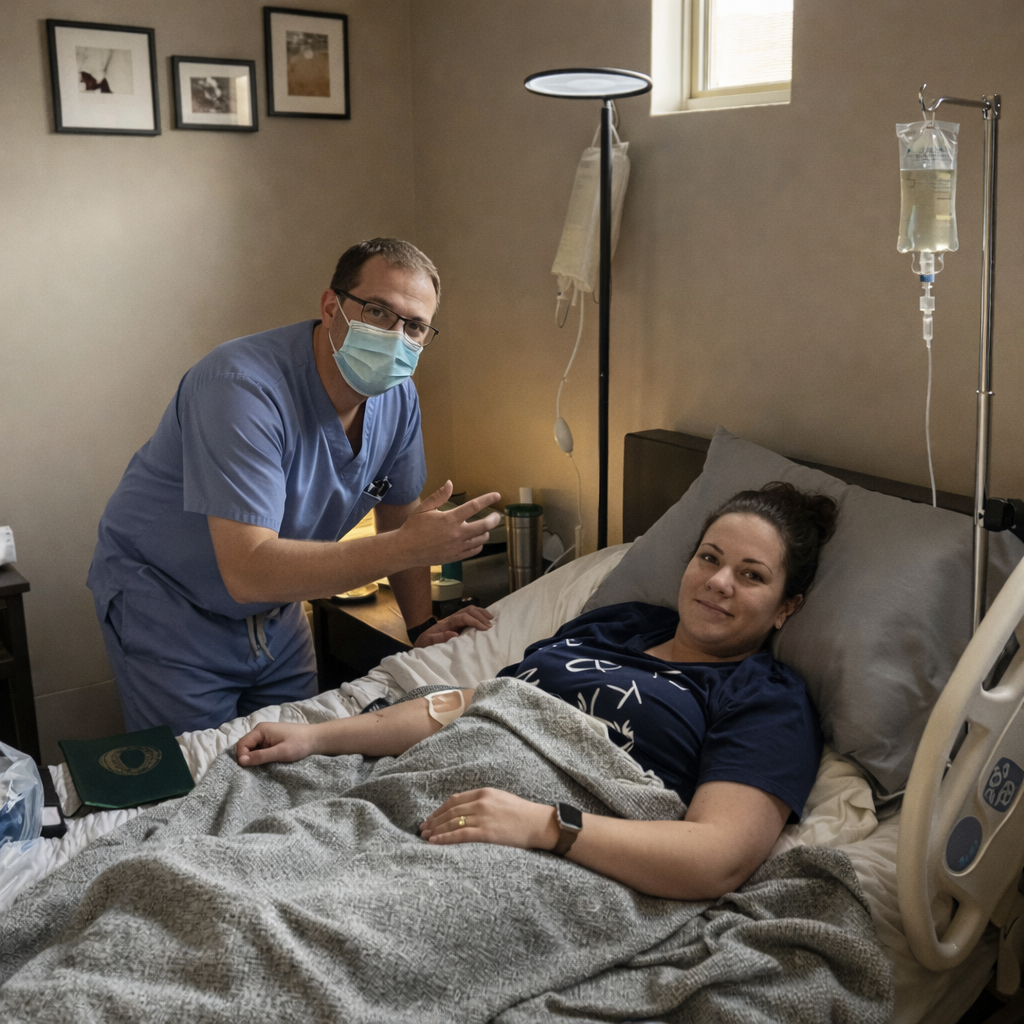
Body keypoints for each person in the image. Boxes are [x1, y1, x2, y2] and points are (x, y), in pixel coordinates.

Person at [236, 482, 838, 901]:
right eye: (709, 557)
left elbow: (718, 857)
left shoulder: (766, 696)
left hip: (542, 848)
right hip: (428, 786)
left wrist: (546, 825)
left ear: (787, 608)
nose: (719, 583)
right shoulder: (615, 623)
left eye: (752, 575)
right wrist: (316, 737)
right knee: (243, 865)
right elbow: (477, 704)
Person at [88, 238, 501, 736]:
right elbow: (248, 571)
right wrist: (402, 547)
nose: (396, 336)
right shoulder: (239, 388)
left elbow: (400, 509)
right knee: (198, 789)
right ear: (332, 308)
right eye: (377, 312)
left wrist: (418, 629)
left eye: (414, 326)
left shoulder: (399, 398)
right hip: (172, 606)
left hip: (278, 609)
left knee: (300, 756)